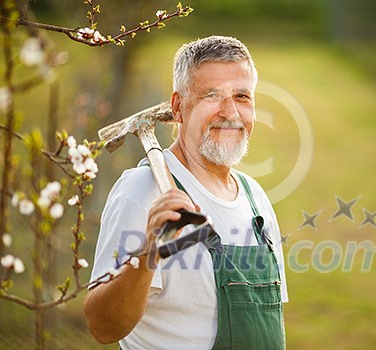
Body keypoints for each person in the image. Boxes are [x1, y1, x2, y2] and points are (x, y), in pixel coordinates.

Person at [84, 35, 288, 349]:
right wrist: (149, 252)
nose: (230, 112)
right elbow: (102, 326)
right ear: (178, 107)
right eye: (212, 95)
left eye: (242, 96)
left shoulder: (254, 198)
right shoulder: (142, 191)